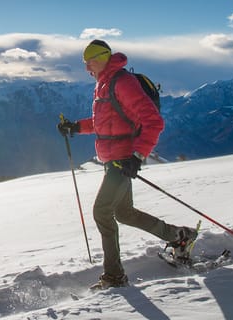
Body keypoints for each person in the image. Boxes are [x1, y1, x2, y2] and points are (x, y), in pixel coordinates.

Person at [57, 40, 197, 290]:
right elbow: (105, 122)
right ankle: (179, 237)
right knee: (123, 213)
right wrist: (76, 126)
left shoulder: (123, 82)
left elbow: (153, 122)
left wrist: (137, 156)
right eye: (84, 61)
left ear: (101, 58)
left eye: (89, 60)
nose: (86, 66)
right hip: (113, 161)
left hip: (123, 161)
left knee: (102, 211)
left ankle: (114, 276)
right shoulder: (103, 84)